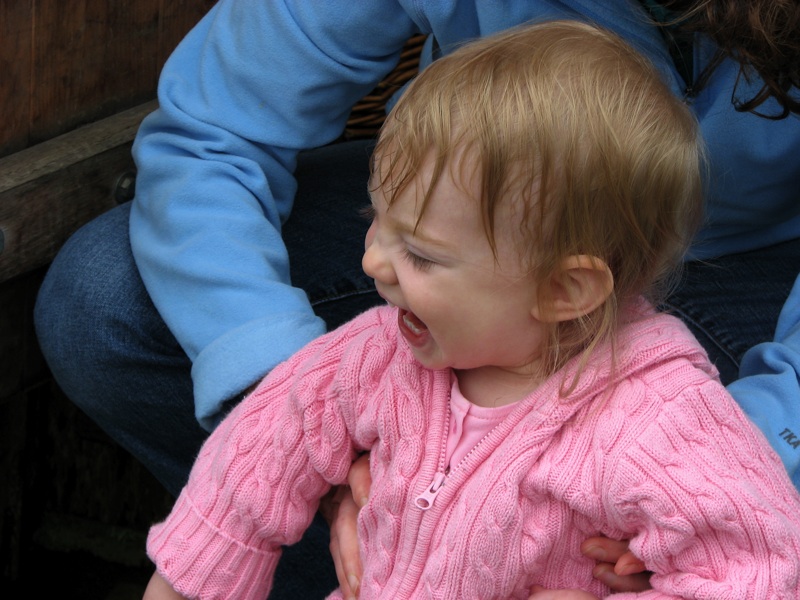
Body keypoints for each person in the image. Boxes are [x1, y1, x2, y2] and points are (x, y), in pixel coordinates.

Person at [33, 0, 800, 597]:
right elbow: (215, 132)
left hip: (765, 272)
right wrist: (301, 420)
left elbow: (753, 564)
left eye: (402, 251)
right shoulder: (388, 297)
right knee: (105, 299)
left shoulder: (667, 416)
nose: (371, 264)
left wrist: (731, 475)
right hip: (470, 218)